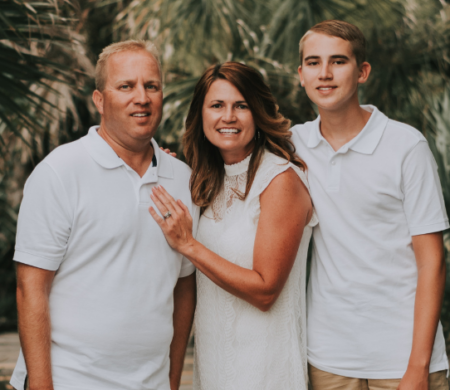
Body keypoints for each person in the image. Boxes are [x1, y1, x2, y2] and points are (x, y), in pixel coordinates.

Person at [10, 40, 198, 390]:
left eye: (151, 86)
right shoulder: (60, 172)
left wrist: (172, 381)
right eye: (126, 86)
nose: (141, 97)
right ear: (100, 99)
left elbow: (184, 288)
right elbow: (30, 287)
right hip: (69, 381)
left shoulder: (183, 178)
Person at [290, 20, 449, 389]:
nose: (324, 74)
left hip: (402, 358)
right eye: (313, 63)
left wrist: (418, 367)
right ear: (301, 74)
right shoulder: (293, 144)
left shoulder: (406, 147)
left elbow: (433, 262)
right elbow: (230, 154)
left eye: (338, 62)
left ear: (362, 72)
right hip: (328, 358)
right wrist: (160, 159)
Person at [149, 62, 316, 389]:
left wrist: (189, 246)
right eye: (217, 106)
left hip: (265, 370)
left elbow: (266, 290)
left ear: (258, 112)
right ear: (201, 115)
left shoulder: (279, 180)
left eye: (241, 106)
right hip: (215, 368)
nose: (229, 117)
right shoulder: (204, 182)